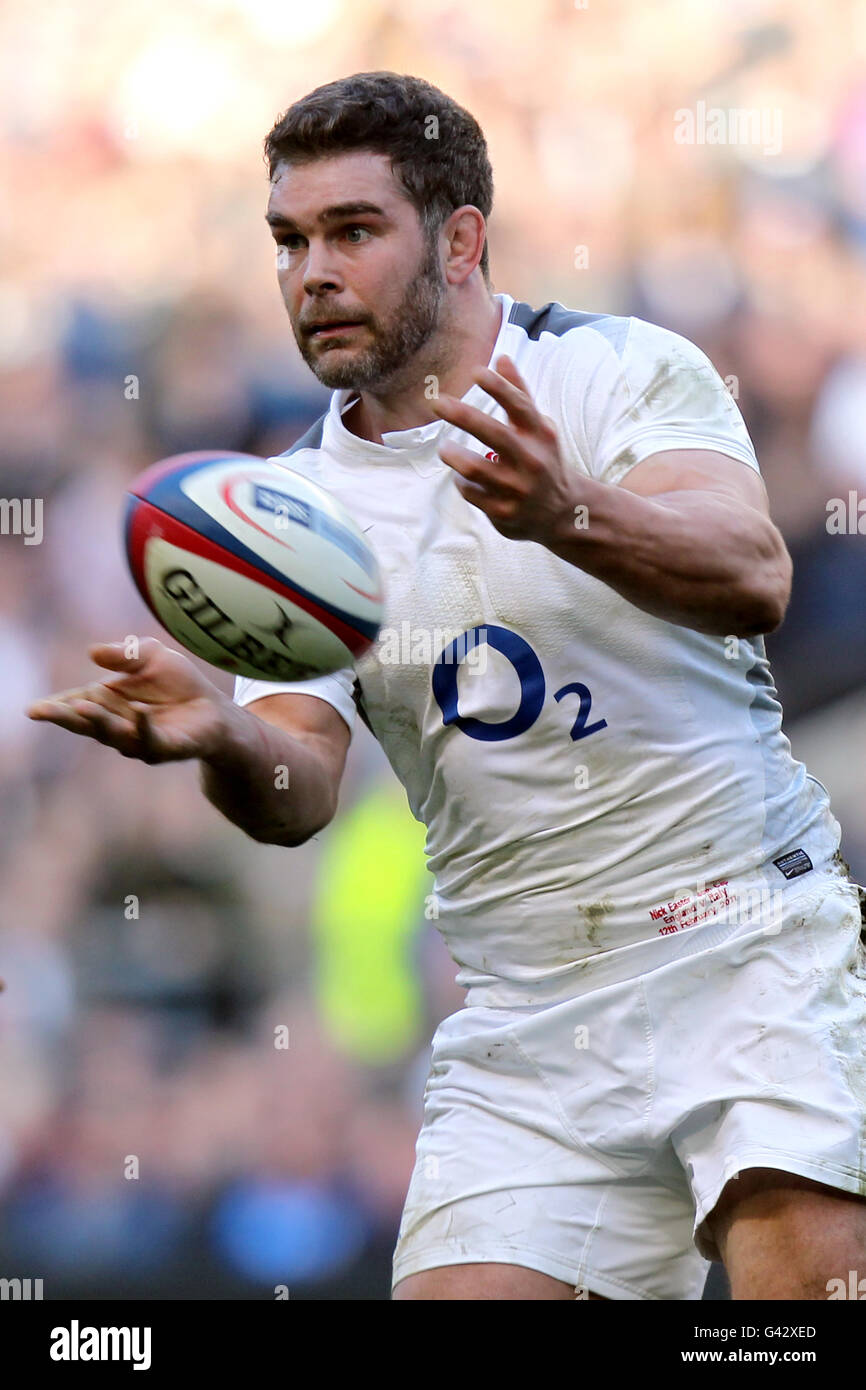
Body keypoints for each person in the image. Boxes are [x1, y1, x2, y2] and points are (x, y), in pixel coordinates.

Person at [28, 71, 866, 1302]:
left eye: (352, 231)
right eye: (288, 239)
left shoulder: (617, 370)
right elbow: (297, 783)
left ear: (460, 240)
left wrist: (567, 509)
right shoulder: (294, 509)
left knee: (797, 1290)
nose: (311, 270)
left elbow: (750, 573)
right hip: (526, 1021)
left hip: (739, 945)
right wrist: (216, 736)